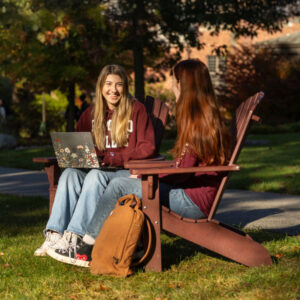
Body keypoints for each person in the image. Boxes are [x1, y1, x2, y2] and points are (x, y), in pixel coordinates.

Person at [47, 58, 232, 268]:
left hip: (190, 201)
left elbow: (182, 171)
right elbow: (184, 166)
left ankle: (87, 245)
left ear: (183, 83)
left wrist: (148, 177)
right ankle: (98, 239)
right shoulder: (201, 116)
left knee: (118, 183)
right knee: (117, 179)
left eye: (174, 80)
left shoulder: (197, 122)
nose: (172, 84)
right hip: (190, 193)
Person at [34, 64, 156, 258]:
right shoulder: (91, 113)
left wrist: (117, 157)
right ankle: (55, 235)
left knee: (95, 176)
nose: (113, 90)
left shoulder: (136, 110)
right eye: (108, 84)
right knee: (70, 174)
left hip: (124, 172)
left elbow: (148, 146)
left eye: (119, 85)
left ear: (125, 88)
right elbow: (78, 142)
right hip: (98, 169)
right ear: (100, 87)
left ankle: (77, 236)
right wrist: (74, 155)